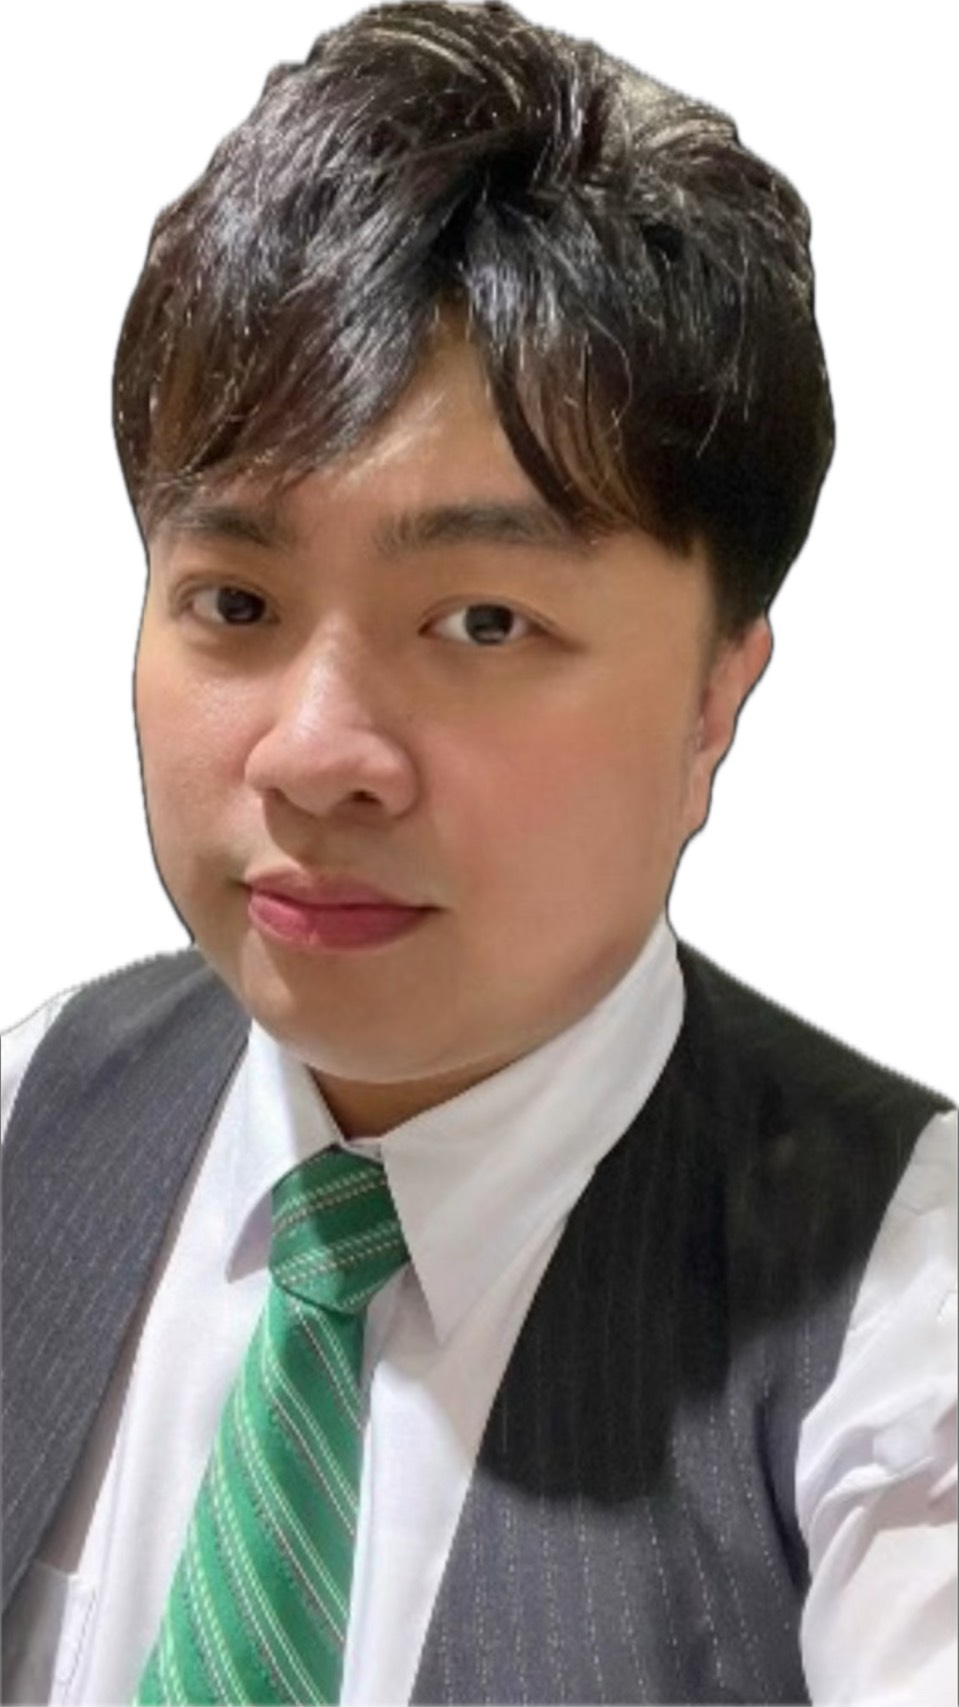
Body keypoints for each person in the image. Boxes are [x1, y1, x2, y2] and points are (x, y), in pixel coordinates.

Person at [2, 2, 955, 1702]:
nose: (315, 754)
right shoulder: (27, 1116)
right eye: (235, 603)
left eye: (484, 621)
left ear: (716, 698)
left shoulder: (901, 1310)